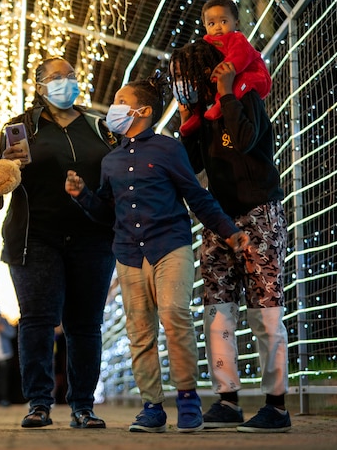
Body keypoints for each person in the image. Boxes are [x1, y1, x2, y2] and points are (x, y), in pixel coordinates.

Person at [64, 74, 248, 433]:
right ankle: (152, 407)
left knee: (175, 316)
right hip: (128, 253)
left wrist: (229, 231)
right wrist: (83, 195)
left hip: (170, 245)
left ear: (142, 110)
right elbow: (105, 211)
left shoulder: (168, 148)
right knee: (139, 331)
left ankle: (188, 399)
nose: (114, 108)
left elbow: (196, 196)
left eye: (120, 100)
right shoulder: (111, 160)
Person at [170, 39, 291, 432]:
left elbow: (243, 140)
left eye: (185, 77)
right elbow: (186, 168)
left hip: (259, 212)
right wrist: (188, 124)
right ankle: (228, 400)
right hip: (219, 219)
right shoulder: (201, 117)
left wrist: (226, 94)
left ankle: (276, 406)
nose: (181, 84)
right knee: (217, 309)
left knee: (265, 308)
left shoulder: (245, 96)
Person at [0, 57, 117, 430]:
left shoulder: (100, 126)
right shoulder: (20, 127)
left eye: (71, 76)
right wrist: (7, 163)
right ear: (39, 85)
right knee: (37, 320)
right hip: (36, 238)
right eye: (57, 77)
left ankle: (83, 405)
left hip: (93, 236)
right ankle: (38, 403)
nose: (67, 82)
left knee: (85, 324)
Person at [178, 0, 272, 135]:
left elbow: (240, 56)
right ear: (205, 26)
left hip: (252, 76)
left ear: (236, 23)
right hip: (230, 77)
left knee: (236, 85)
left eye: (223, 21)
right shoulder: (207, 43)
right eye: (211, 24)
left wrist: (223, 71)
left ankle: (219, 106)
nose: (217, 27)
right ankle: (194, 116)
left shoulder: (237, 38)